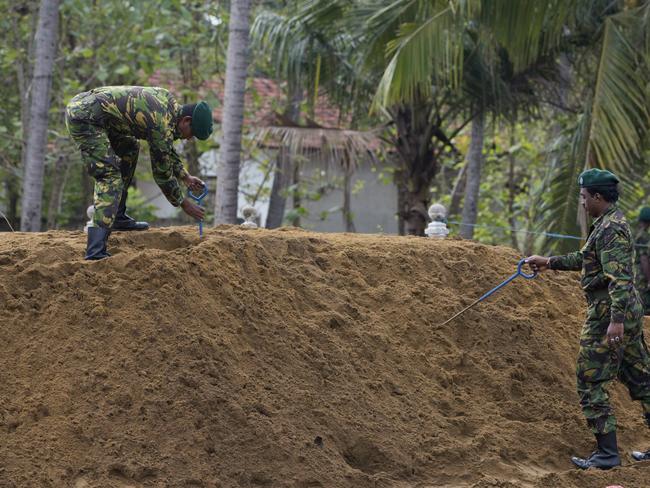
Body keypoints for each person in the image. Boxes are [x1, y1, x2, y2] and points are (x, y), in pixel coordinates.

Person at [526, 168, 650, 470]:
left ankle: (607, 454)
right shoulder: (607, 223)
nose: (582, 203)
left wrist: (615, 321)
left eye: (584, 197)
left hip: (609, 312)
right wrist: (549, 263)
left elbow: (619, 278)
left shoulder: (610, 229)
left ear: (597, 196)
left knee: (589, 379)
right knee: (642, 379)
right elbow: (585, 259)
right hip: (623, 311)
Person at [65, 86, 211, 260]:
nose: (189, 138)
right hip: (84, 117)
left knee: (130, 147)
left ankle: (117, 216)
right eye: (192, 134)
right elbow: (161, 173)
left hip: (100, 117)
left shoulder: (169, 107)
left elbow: (165, 148)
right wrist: (184, 203)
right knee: (110, 177)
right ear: (186, 121)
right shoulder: (160, 123)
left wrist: (185, 176)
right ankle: (95, 251)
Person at [634, 207, 650, 315]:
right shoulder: (644, 237)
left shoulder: (634, 234)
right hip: (641, 278)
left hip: (633, 274)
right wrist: (649, 279)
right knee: (644, 309)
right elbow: (644, 260)